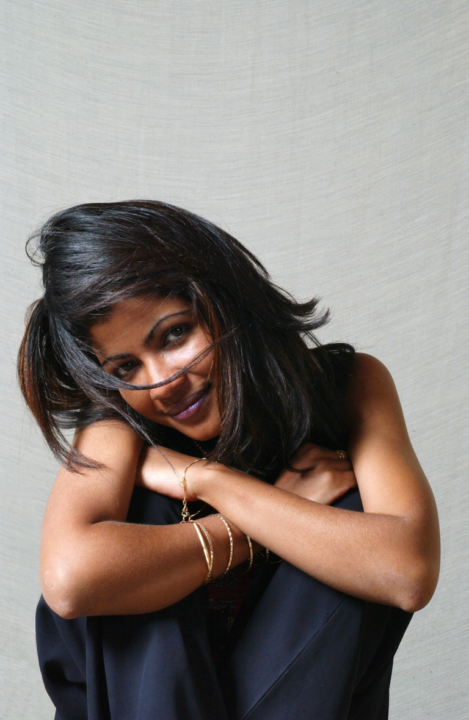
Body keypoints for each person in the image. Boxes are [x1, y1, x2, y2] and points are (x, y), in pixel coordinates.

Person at [18, 201, 439, 720]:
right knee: (134, 530)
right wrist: (261, 520)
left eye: (174, 334)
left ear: (227, 297)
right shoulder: (117, 423)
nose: (161, 382)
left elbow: (406, 571)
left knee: (349, 511)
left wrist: (212, 481)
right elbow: (71, 580)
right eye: (125, 366)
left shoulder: (347, 387)